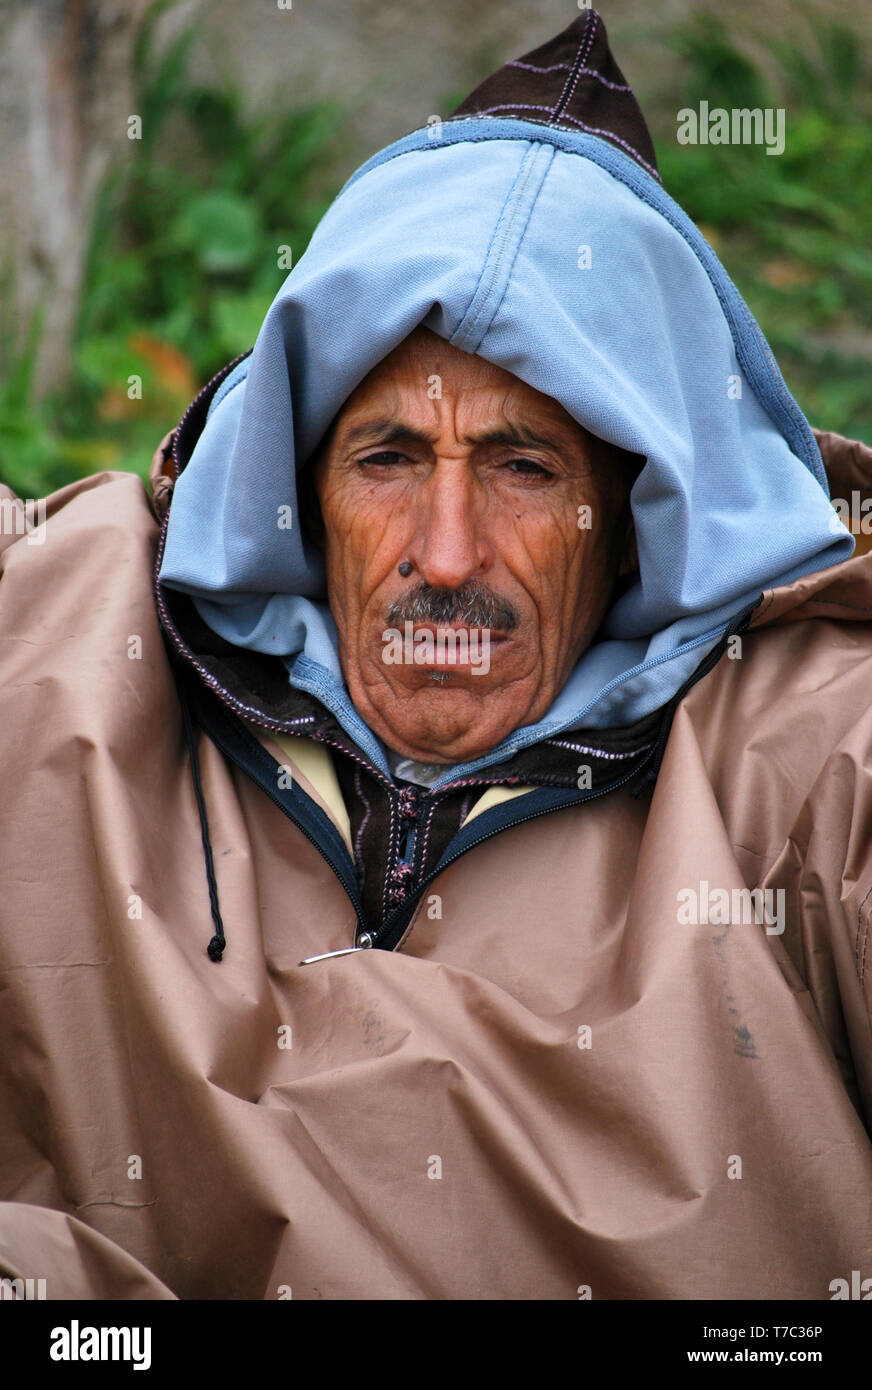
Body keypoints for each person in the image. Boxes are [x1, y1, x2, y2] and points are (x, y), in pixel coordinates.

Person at [1, 9, 871, 1302]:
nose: (448, 552)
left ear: (636, 523)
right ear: (300, 489)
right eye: (389, 459)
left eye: (524, 467)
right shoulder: (67, 630)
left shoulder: (797, 757)